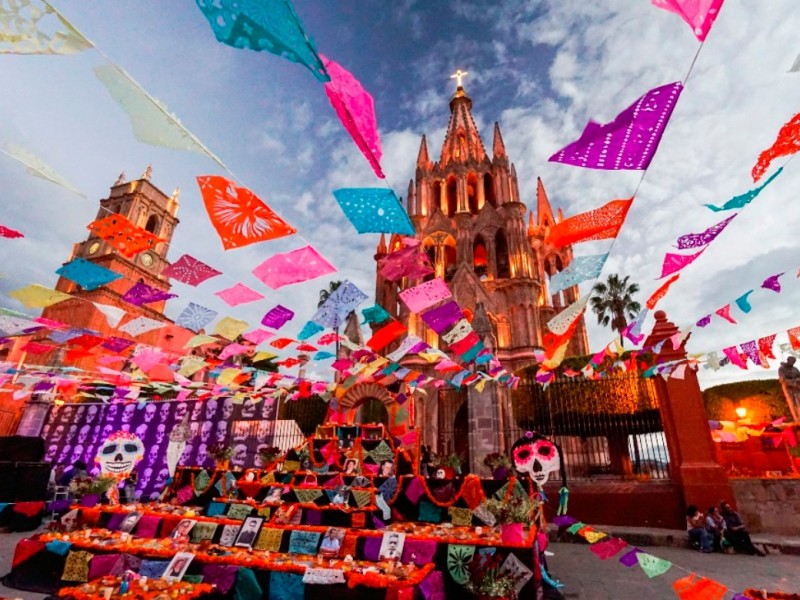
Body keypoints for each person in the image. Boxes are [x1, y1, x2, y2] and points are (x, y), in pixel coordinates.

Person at [778, 356, 800, 422]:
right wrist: (795, 381)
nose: (792, 363)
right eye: (791, 361)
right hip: (788, 388)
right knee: (792, 403)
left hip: (796, 388)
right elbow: (782, 380)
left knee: (799, 402)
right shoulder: (781, 369)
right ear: (788, 360)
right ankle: (796, 419)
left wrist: (797, 382)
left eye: (794, 362)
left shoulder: (795, 369)